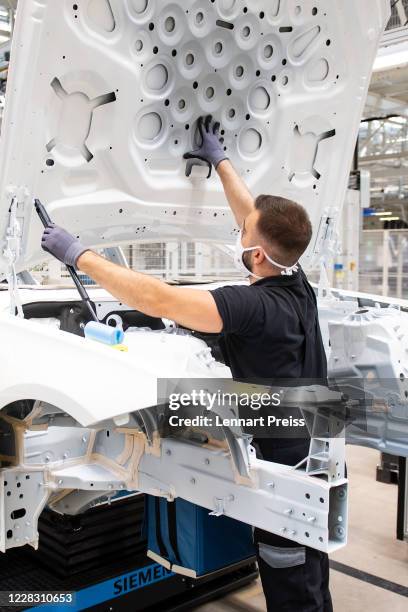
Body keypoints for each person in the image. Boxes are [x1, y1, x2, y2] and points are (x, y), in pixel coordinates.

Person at [41, 115, 331, 612]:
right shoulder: (294, 278)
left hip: (286, 462)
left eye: (244, 235)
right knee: (309, 561)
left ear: (257, 255)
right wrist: (220, 162)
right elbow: (252, 216)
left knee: (290, 577)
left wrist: (80, 255)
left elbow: (161, 300)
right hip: (316, 436)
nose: (239, 232)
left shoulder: (251, 306)